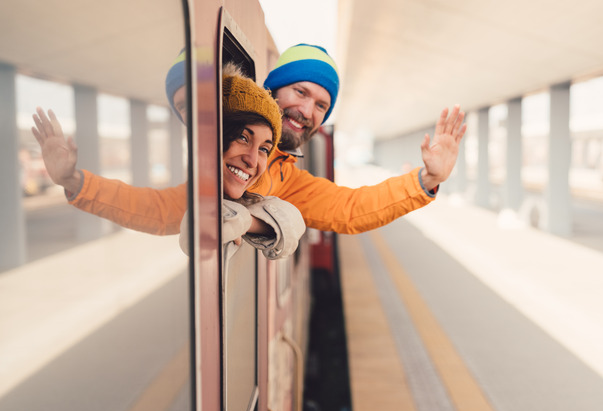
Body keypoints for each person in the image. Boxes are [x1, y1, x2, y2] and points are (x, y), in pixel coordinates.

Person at [37, 43, 466, 237]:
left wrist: (424, 181)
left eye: (321, 105)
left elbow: (350, 210)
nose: (308, 110)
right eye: (300, 92)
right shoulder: (224, 144)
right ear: (271, 91)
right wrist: (75, 183)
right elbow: (163, 209)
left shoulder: (289, 177)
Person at [32, 64, 305, 259]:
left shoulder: (261, 175)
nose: (251, 158)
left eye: (263, 148)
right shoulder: (206, 186)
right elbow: (154, 209)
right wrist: (71, 180)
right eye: (243, 138)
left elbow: (290, 221)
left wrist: (246, 221)